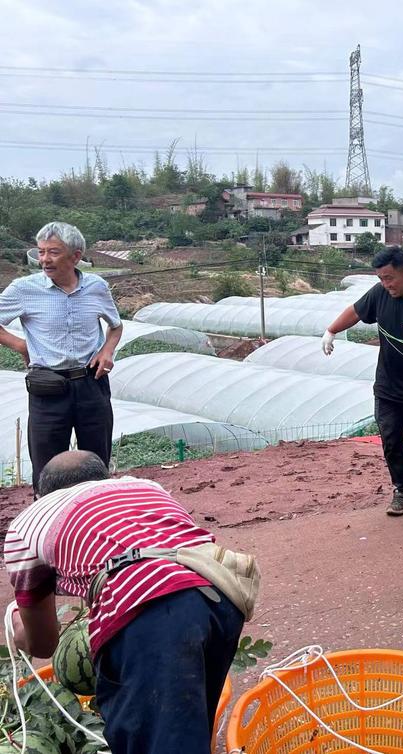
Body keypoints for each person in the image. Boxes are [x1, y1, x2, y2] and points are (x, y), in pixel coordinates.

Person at [4, 450, 245, 754]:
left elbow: (42, 643)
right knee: (187, 735)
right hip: (223, 595)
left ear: (39, 494)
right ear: (107, 479)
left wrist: (16, 627)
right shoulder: (143, 486)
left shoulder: (27, 523)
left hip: (155, 612)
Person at [322, 246, 403, 516]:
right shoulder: (380, 294)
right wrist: (331, 330)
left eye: (390, 278)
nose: (385, 284)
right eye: (381, 278)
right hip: (387, 387)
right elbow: (356, 311)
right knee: (391, 439)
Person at [0, 221, 122, 495]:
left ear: (76, 256)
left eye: (53, 252)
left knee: (96, 459)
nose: (44, 259)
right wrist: (20, 345)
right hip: (48, 386)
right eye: (41, 252)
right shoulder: (24, 289)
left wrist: (107, 351)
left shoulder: (96, 287)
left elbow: (115, 325)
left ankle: (97, 516)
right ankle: (46, 523)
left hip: (92, 382)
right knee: (47, 465)